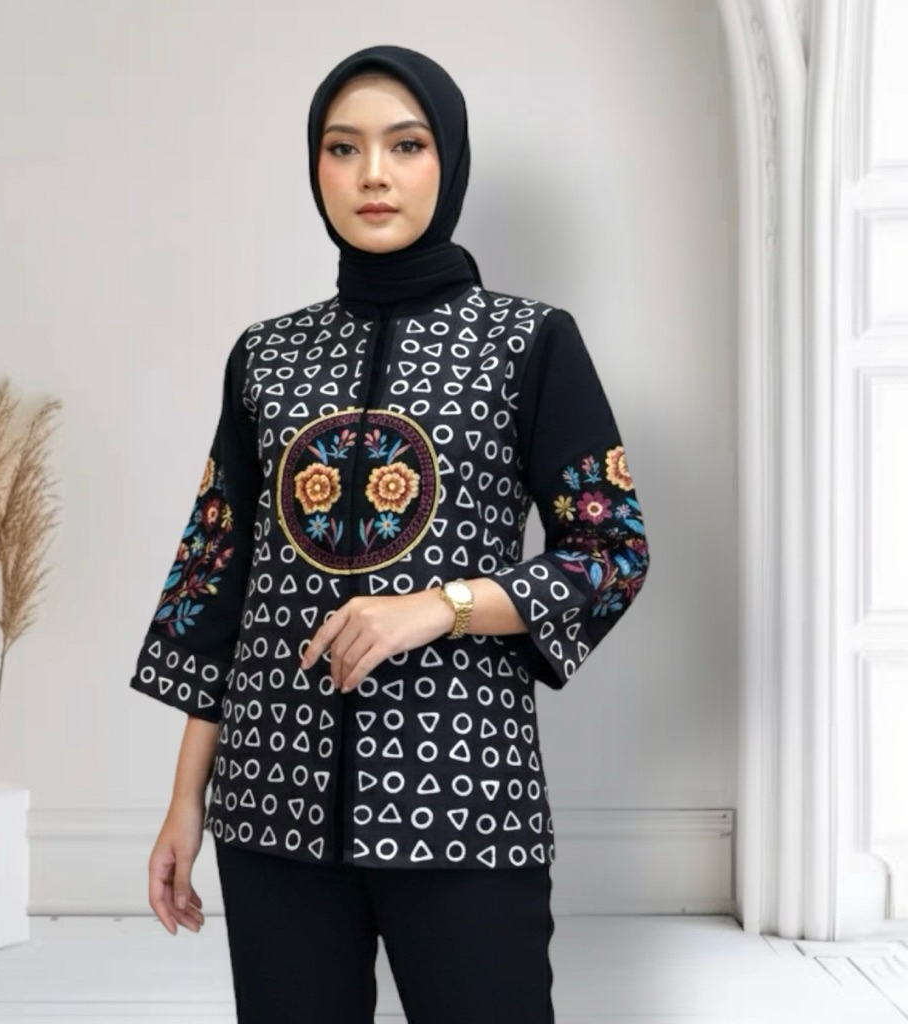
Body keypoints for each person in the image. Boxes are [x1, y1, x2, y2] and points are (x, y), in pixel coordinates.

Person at [128, 43, 650, 1023]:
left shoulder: (527, 342)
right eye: (343, 147)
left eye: (405, 145)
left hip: (461, 797)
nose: (373, 173)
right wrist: (184, 803)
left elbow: (611, 553)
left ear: (448, 161)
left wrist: (440, 608)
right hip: (270, 803)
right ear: (316, 168)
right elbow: (216, 582)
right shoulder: (267, 357)